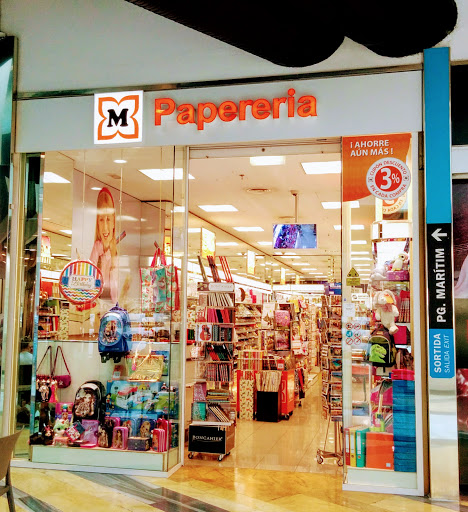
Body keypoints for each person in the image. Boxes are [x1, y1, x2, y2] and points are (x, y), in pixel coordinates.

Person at [90, 187, 119, 303]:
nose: (105, 228)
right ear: (97, 222)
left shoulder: (116, 252)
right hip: (97, 302)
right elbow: (90, 274)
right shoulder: (97, 249)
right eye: (101, 220)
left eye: (108, 219)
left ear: (114, 222)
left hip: (112, 303)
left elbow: (117, 284)